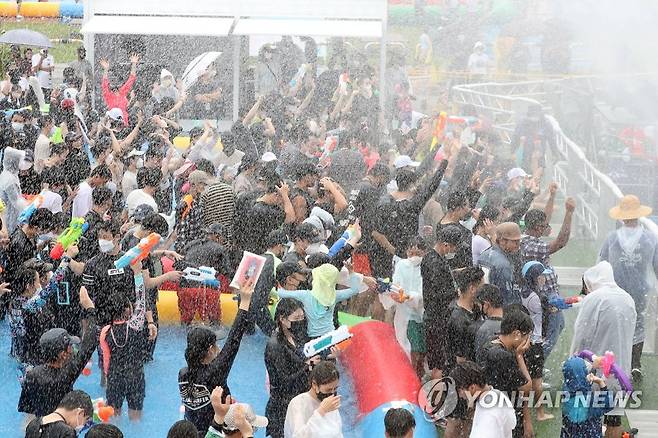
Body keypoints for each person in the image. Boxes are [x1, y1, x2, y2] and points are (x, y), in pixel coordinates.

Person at [570, 261, 636, 438]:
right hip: (620, 369)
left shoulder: (594, 298)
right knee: (614, 418)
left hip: (595, 370)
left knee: (586, 419)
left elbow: (581, 335)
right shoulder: (627, 298)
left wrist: (573, 362)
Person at [178, 280, 254, 434]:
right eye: (216, 345)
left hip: (192, 431)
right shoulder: (215, 372)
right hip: (214, 432)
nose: (219, 349)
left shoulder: (183, 374)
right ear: (209, 350)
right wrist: (245, 301)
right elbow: (234, 340)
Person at [599, 194, 658, 382]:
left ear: (622, 216)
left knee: (615, 320)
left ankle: (614, 360)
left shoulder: (613, 238)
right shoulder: (650, 239)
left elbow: (602, 262)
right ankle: (635, 364)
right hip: (640, 287)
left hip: (616, 287)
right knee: (638, 321)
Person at [18, 288, 97, 417]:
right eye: (69, 347)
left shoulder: (32, 374)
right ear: (62, 354)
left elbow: (27, 408)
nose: (72, 350)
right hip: (61, 426)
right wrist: (90, 309)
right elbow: (88, 345)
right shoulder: (66, 374)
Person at [521, 198, 576, 358]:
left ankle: (534, 363)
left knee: (554, 327)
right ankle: (535, 364)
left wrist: (552, 196)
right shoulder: (532, 247)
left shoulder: (526, 240)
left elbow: (546, 218)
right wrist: (569, 213)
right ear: (538, 228)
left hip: (540, 296)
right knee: (549, 334)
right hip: (545, 298)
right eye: (546, 226)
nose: (548, 228)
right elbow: (560, 242)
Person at [98, 259, 150, 420]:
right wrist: (137, 274)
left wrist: (110, 379)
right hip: (135, 376)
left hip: (115, 378)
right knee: (135, 418)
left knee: (114, 418)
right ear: (128, 309)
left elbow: (106, 363)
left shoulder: (105, 332)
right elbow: (141, 299)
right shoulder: (135, 325)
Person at [265, 298, 316, 438]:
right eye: (296, 318)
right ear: (282, 318)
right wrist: (307, 366)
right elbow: (283, 381)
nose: (301, 321)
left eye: (302, 317)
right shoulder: (275, 346)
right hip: (282, 407)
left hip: (298, 399)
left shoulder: (298, 336)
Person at [479, 309, 533, 438]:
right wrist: (519, 356)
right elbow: (526, 388)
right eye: (527, 336)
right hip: (505, 414)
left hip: (492, 410)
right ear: (517, 334)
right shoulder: (503, 356)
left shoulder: (490, 343)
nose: (528, 341)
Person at [444, 266, 485, 436]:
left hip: (469, 376)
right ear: (472, 288)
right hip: (460, 378)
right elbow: (460, 360)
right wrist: (469, 387)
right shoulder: (458, 319)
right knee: (455, 421)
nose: (484, 289)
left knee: (469, 418)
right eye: (482, 286)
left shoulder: (474, 309)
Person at [276, 262, 362, 337]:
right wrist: (351, 272)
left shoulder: (305, 295)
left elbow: (280, 293)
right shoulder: (335, 295)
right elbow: (354, 289)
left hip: (313, 337)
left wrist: (275, 283)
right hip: (331, 334)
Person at [422, 225, 462, 380]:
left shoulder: (436, 258)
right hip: (436, 319)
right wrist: (455, 292)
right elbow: (435, 293)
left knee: (441, 361)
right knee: (439, 363)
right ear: (445, 244)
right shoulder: (433, 262)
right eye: (453, 247)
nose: (453, 251)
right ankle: (436, 399)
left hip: (439, 317)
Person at [174, 224, 231, 326]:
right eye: (223, 239)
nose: (223, 242)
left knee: (185, 323)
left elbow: (179, 264)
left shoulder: (190, 245)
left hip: (185, 288)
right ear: (217, 237)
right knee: (215, 324)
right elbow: (227, 272)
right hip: (206, 290)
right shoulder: (220, 249)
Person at [519, 261, 554, 421]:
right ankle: (540, 413)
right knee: (537, 381)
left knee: (524, 378)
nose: (543, 279)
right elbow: (546, 318)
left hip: (523, 343)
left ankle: (523, 411)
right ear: (534, 277)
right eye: (541, 276)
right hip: (535, 343)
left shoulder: (521, 292)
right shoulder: (538, 297)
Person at [450, 361, 516, 438]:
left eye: (459, 390)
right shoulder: (498, 394)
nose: (460, 395)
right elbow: (512, 423)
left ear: (472, 387)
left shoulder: (488, 416)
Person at [284, 360, 342, 438]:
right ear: (314, 384)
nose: (332, 393)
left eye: (335, 389)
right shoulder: (299, 403)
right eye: (328, 390)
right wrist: (321, 411)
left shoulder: (331, 404)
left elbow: (338, 433)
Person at [560, 356, 615, 438]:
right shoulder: (589, 400)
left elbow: (577, 379)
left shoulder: (566, 392)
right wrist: (601, 383)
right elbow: (608, 405)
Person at [478, 222, 524, 306]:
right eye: (515, 242)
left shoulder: (484, 255)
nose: (518, 245)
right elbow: (506, 297)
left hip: (484, 304)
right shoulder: (503, 264)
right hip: (497, 308)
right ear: (502, 241)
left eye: (518, 241)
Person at [24, 390, 93, 438]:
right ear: (80, 413)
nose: (82, 425)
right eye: (85, 420)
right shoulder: (67, 433)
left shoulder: (33, 424)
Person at [100, 55, 139, 125]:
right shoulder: (108, 95)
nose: (114, 81)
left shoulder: (122, 92)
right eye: (112, 80)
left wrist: (134, 63)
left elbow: (132, 78)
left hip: (124, 124)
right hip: (113, 124)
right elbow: (104, 83)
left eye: (115, 79)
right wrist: (106, 69)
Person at [0, 147, 29, 233]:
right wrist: (29, 206)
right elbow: (16, 202)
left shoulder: (9, 174)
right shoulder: (9, 179)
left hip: (8, 214)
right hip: (8, 217)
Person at [474, 285, 503, 366]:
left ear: (486, 305)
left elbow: (480, 361)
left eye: (480, 305)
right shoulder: (511, 323)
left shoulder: (482, 329)